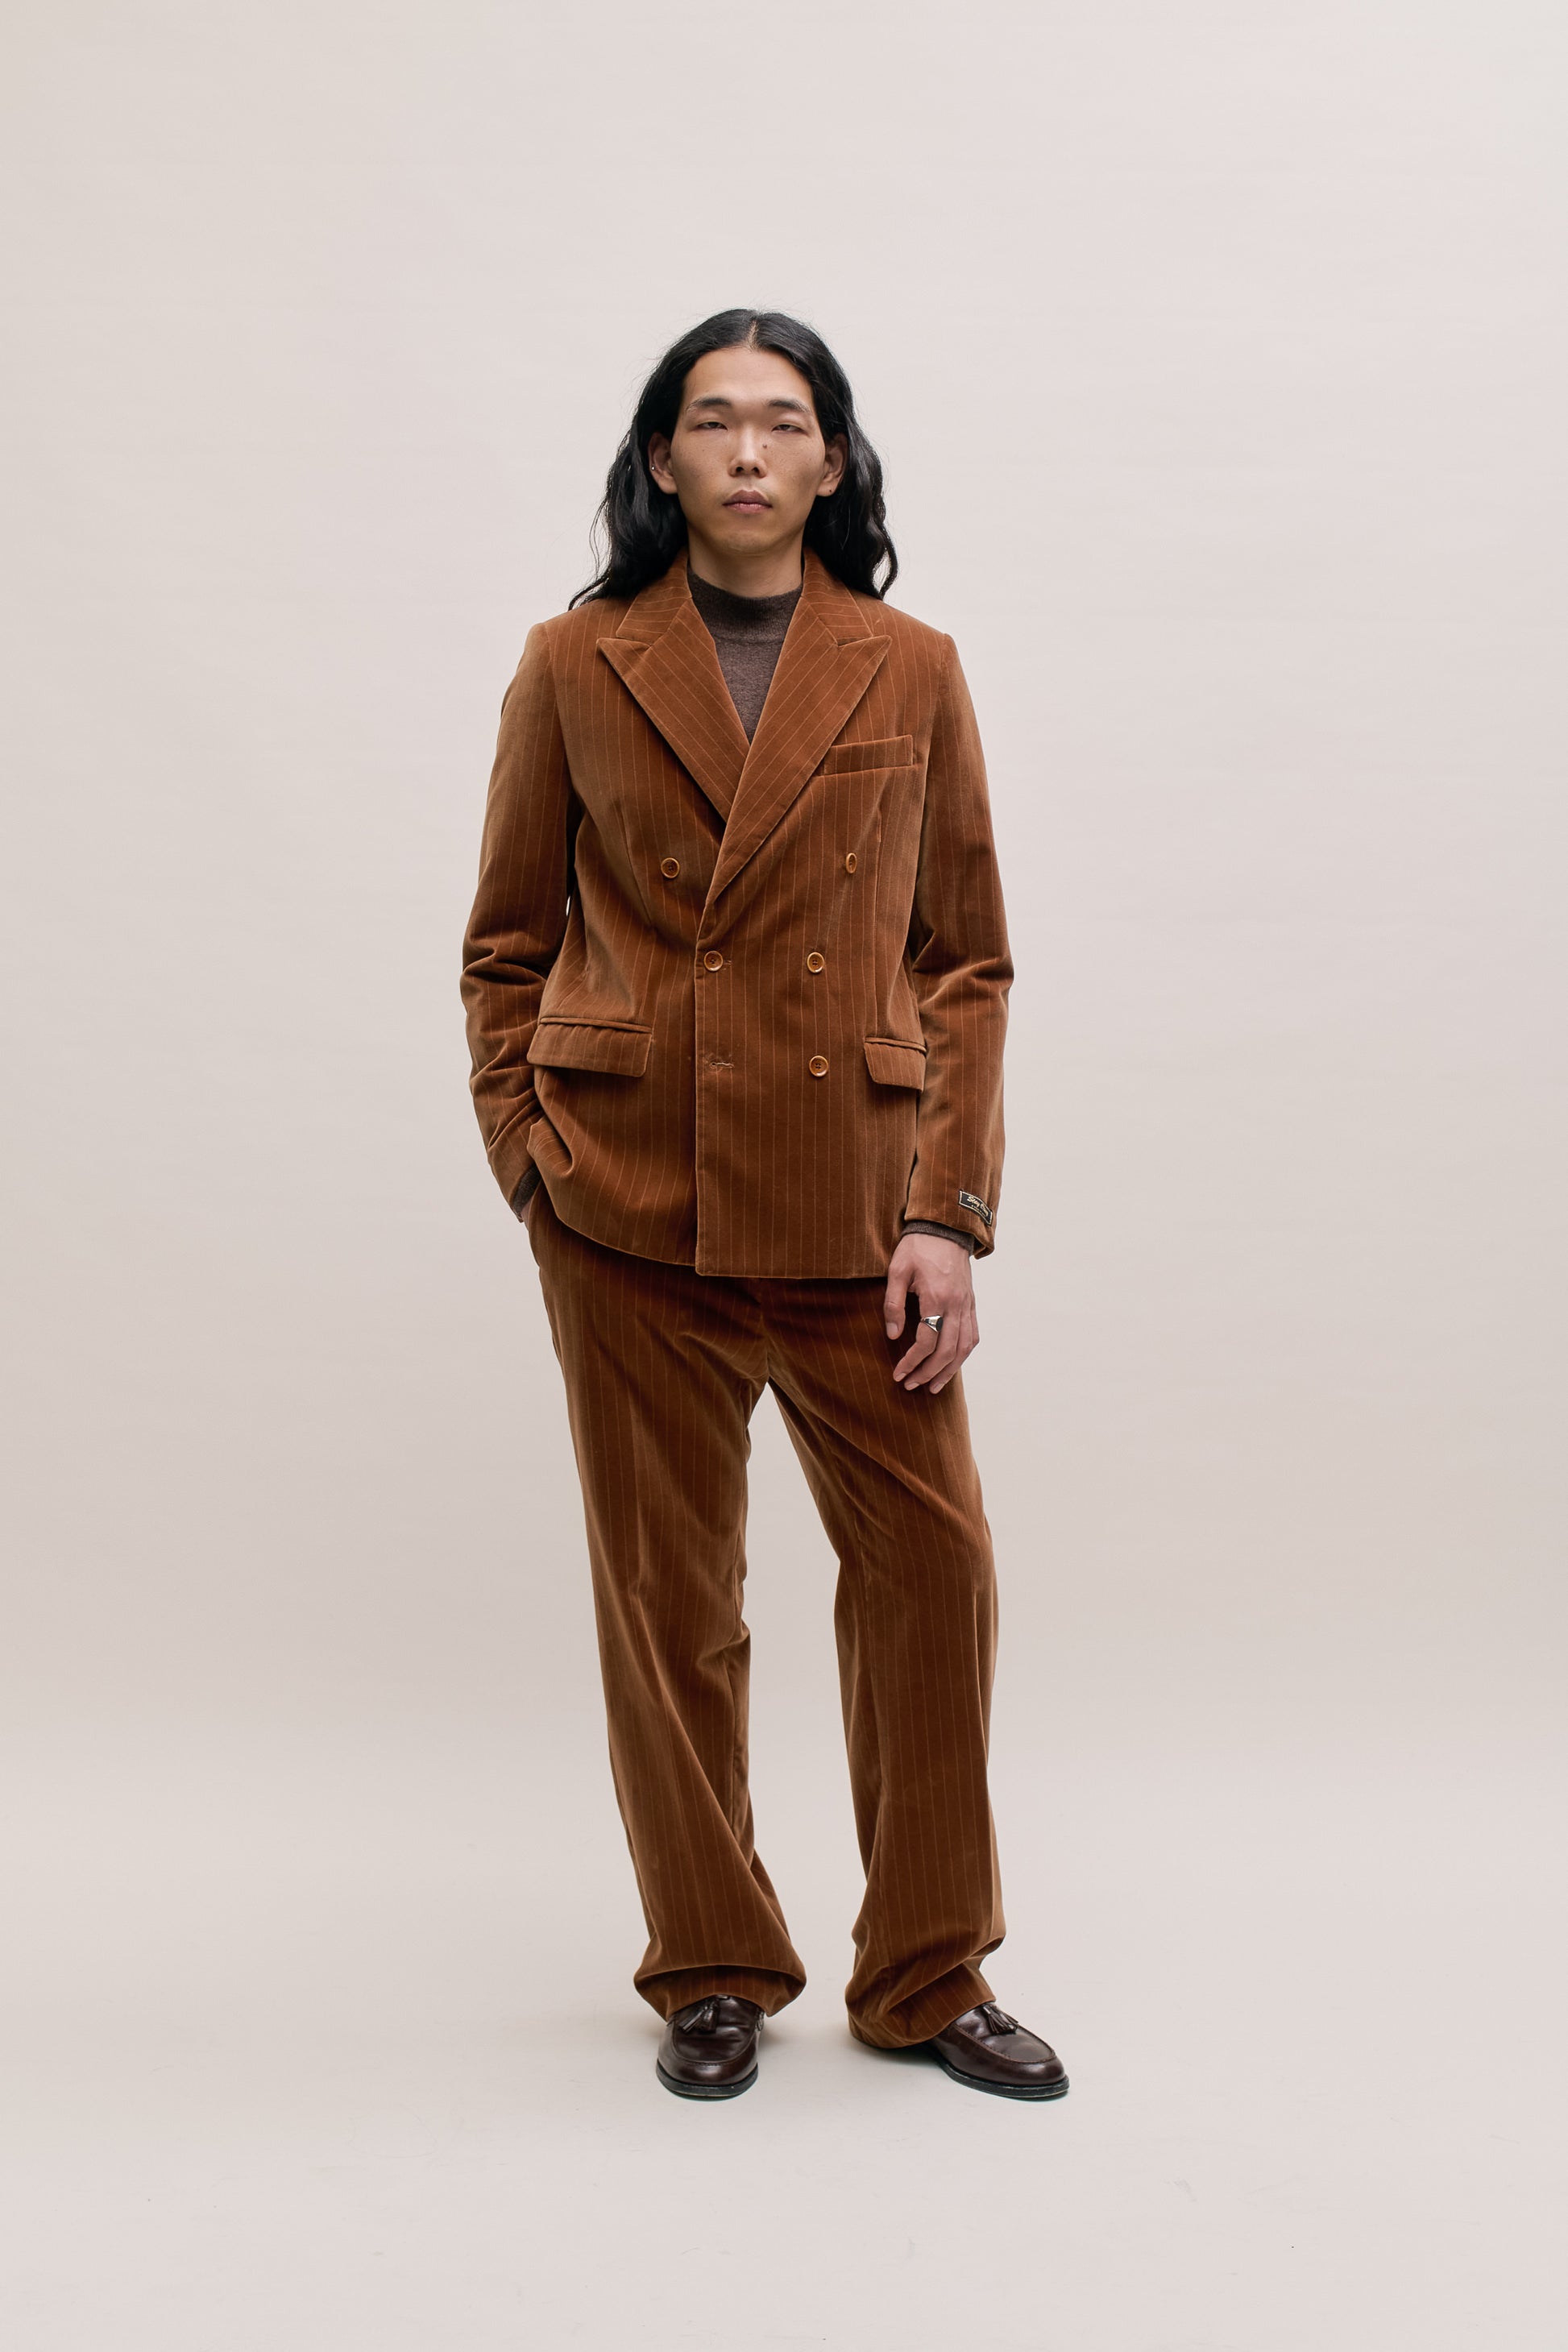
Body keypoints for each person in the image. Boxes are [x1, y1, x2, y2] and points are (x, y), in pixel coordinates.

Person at [461, 309, 1067, 2103]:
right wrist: (530, 1157)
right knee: (671, 1604)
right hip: (624, 1203)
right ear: (661, 459)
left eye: (781, 420)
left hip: (853, 1208)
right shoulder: (574, 661)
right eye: (710, 419)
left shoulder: (910, 664)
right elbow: (505, 941)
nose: (745, 449)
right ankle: (712, 1962)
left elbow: (963, 960)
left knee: (931, 1578)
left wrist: (948, 1210)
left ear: (830, 459)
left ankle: (927, 1970)